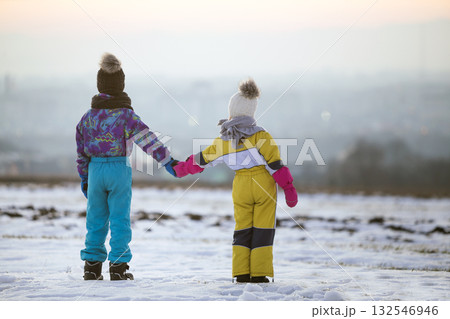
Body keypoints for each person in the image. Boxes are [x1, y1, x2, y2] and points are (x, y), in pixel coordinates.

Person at [168, 79, 298, 283]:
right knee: (263, 229)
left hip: (240, 186)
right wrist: (289, 188)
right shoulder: (261, 136)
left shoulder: (224, 141)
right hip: (263, 186)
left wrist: (181, 168)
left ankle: (241, 272)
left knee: (243, 228)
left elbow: (202, 159)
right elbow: (275, 165)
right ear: (251, 112)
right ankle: (259, 273)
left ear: (231, 112)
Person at [76, 53, 177, 280]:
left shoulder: (87, 118)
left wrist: (84, 178)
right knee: (120, 219)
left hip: (95, 170)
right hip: (119, 169)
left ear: (99, 84)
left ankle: (91, 267)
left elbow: (81, 153)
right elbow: (147, 139)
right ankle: (118, 268)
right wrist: (167, 161)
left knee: (95, 220)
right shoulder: (126, 115)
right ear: (120, 85)